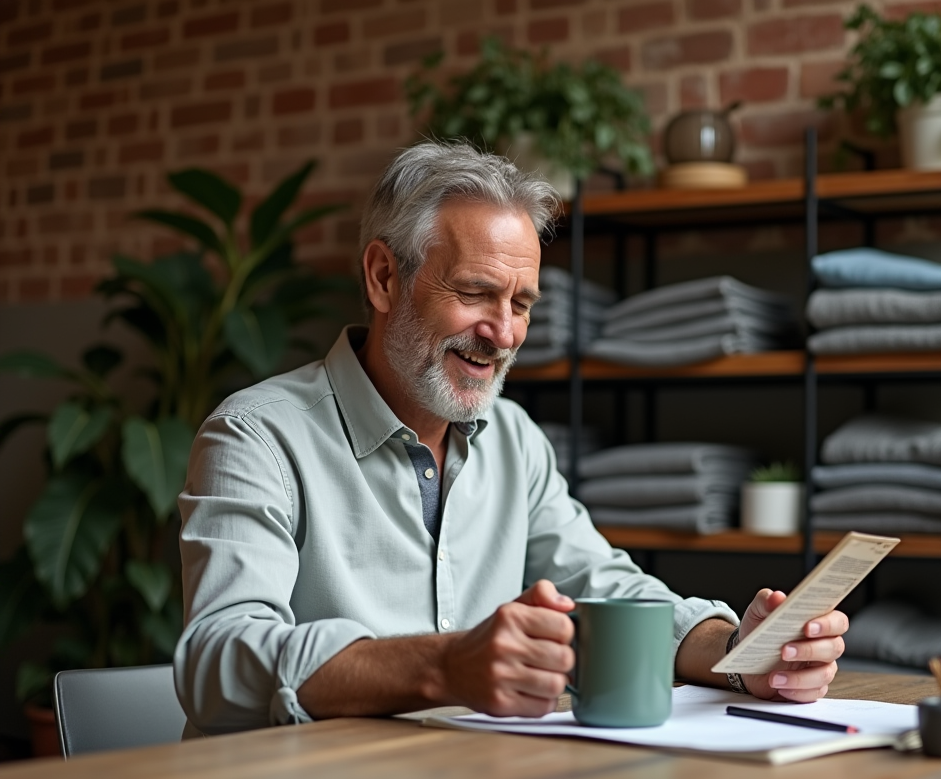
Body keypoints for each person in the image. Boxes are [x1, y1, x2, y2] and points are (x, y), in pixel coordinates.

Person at [174, 142, 847, 735]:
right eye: (475, 293)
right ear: (383, 277)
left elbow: (604, 587)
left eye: (521, 304)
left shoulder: (515, 439)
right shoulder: (256, 437)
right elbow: (218, 658)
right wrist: (444, 667)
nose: (503, 334)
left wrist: (741, 655)